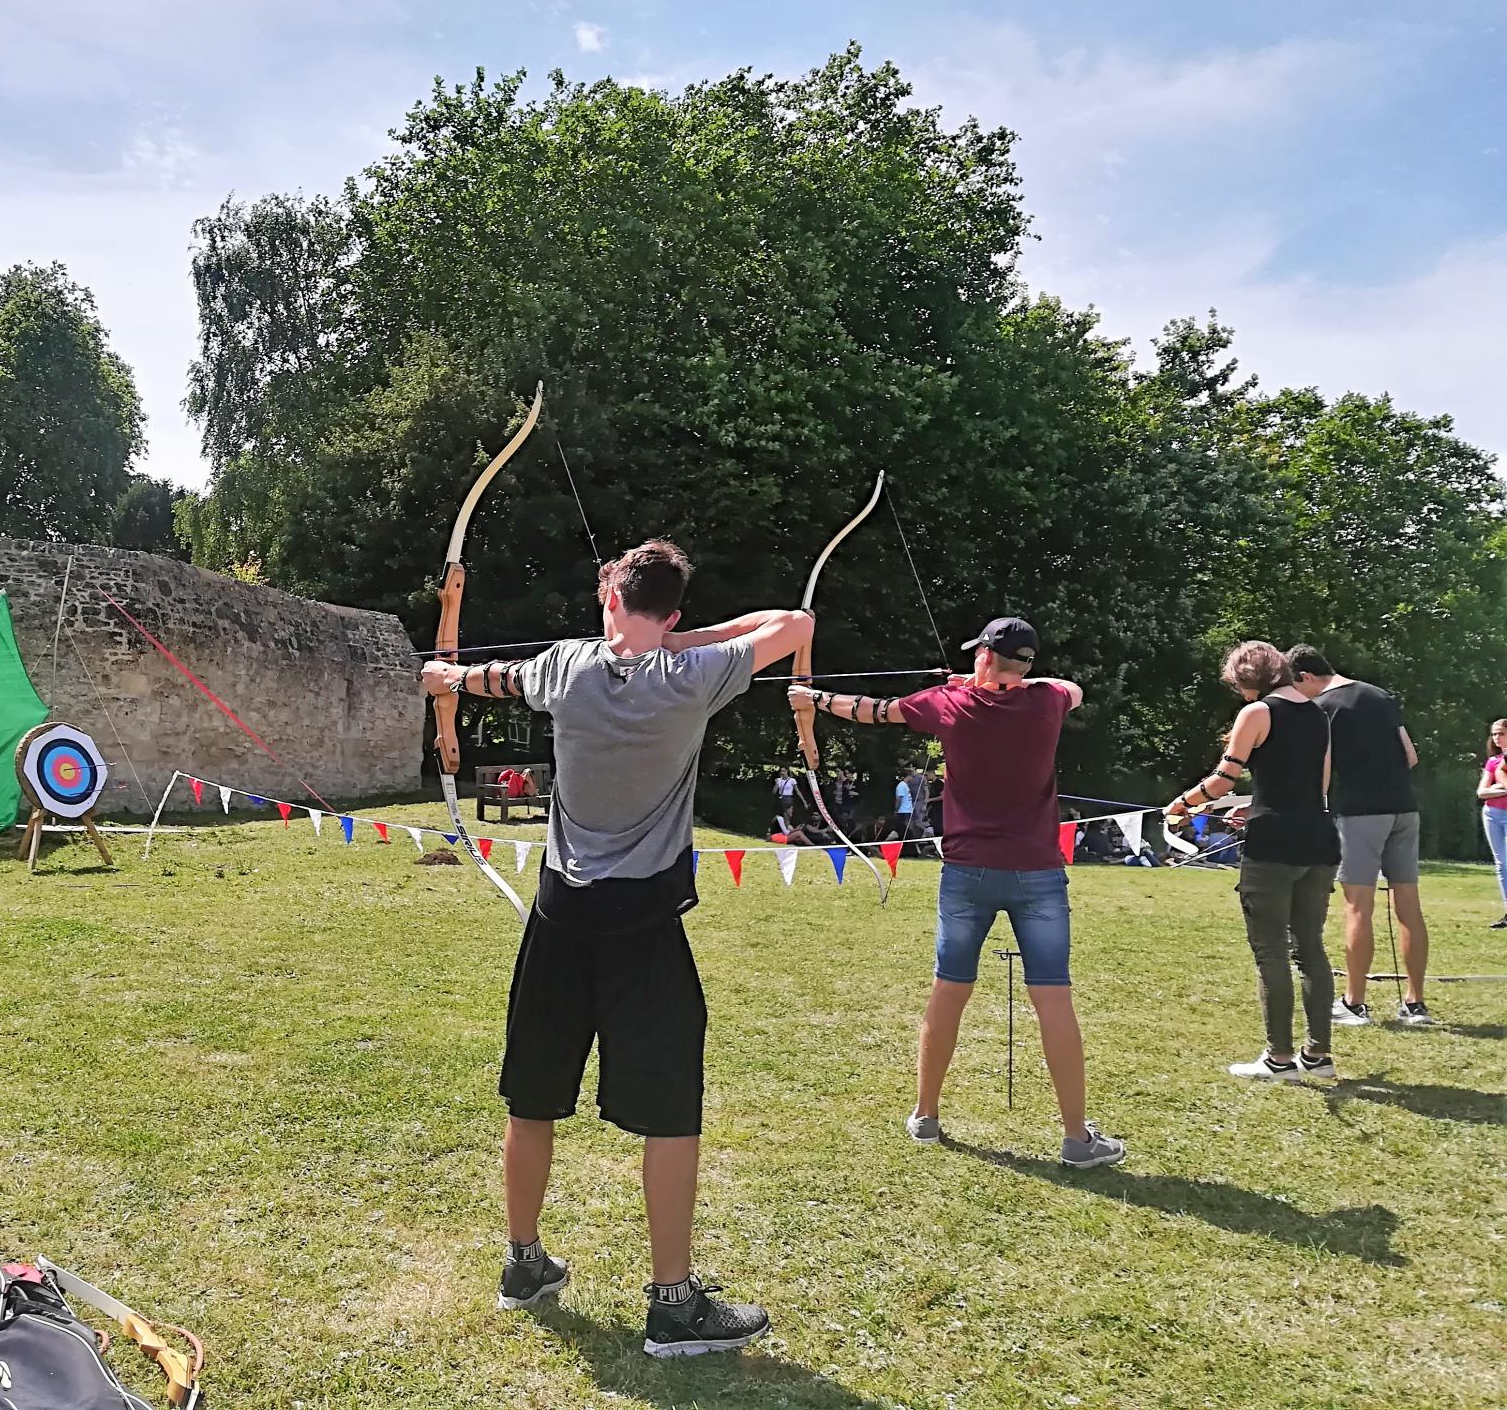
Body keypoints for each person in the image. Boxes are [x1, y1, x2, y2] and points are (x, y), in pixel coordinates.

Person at [423, 539, 809, 1358]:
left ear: (608, 601)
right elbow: (794, 621)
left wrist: (447, 680)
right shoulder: (696, 674)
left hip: (561, 919)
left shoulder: (565, 665)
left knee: (533, 1098)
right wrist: (683, 641)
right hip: (643, 927)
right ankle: (673, 1304)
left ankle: (524, 1264)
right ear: (672, 612)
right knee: (669, 1114)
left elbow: (490, 678)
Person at [789, 615, 1125, 1168]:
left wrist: (816, 699)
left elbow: (875, 711)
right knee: (1053, 999)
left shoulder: (946, 703)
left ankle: (926, 1116)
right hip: (1038, 872)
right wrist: (996, 683)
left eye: (980, 655)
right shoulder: (1048, 702)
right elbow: (1071, 688)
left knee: (949, 991)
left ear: (987, 657)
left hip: (968, 873)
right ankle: (1075, 1138)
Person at [1168, 642, 1339, 1084]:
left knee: (1271, 954)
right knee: (1311, 950)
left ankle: (1279, 1059)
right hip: (1318, 840)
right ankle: (1318, 1056)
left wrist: (1182, 804)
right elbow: (1315, 786)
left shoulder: (1258, 712)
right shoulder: (1319, 713)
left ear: (1247, 679)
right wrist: (1257, 804)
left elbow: (1224, 781)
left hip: (1274, 847)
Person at [1286, 646, 1433, 1027]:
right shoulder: (1380, 695)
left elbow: (1323, 765)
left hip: (1360, 813)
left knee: (1357, 906)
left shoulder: (1323, 706)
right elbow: (1411, 756)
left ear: (1304, 677)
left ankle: (1354, 1004)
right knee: (1409, 907)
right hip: (1404, 808)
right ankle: (1415, 1004)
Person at [1481, 718, 1507, 928]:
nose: (1497, 737)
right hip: (1492, 813)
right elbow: (1482, 792)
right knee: (1502, 864)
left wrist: (1497, 787)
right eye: (1494, 734)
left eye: (1501, 733)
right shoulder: (1494, 761)